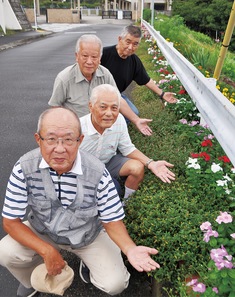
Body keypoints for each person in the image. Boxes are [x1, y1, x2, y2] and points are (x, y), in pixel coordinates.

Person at [0, 107, 160, 297]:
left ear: (80, 140)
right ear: (38, 140)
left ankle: (86, 260)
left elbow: (111, 220)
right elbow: (10, 221)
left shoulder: (98, 172)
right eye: (51, 139)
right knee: (5, 252)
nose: (59, 148)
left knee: (115, 283)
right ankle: (33, 278)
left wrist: (130, 249)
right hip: (43, 230)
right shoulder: (24, 167)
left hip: (88, 235)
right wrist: (47, 251)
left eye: (68, 139)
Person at [80, 84, 175, 201]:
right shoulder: (77, 127)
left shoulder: (119, 120)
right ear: (91, 106)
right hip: (83, 170)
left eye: (114, 108)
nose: (109, 113)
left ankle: (127, 203)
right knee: (111, 191)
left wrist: (151, 163)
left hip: (107, 163)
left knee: (136, 168)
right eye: (103, 107)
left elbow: (127, 148)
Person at [48, 34, 153, 136]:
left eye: (94, 57)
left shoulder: (105, 74)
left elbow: (118, 99)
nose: (89, 62)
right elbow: (56, 108)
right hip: (76, 130)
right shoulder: (64, 78)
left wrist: (136, 120)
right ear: (77, 56)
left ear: (100, 58)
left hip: (101, 129)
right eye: (85, 56)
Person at [101, 24, 177, 117]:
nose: (130, 47)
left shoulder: (134, 61)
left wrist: (162, 94)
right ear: (120, 39)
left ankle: (113, 125)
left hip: (117, 95)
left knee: (133, 114)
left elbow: (146, 80)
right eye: (128, 42)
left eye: (135, 44)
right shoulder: (104, 54)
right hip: (99, 94)